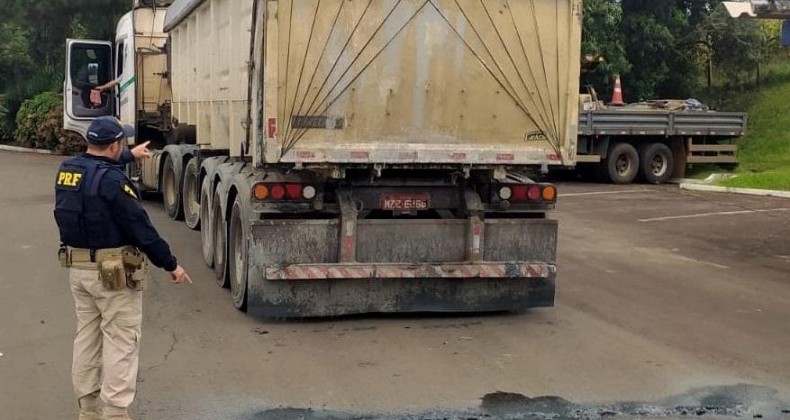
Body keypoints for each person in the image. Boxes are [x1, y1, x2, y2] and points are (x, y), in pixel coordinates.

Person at [54, 116, 192, 420]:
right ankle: (115, 414)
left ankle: (88, 410)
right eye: (123, 144)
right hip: (113, 275)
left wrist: (132, 156)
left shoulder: (68, 171)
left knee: (87, 337)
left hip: (79, 269)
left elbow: (96, 175)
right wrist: (171, 265)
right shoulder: (115, 182)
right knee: (121, 340)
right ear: (114, 144)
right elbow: (140, 229)